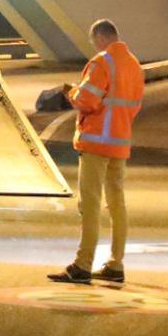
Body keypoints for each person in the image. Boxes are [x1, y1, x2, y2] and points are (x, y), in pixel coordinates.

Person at [48, 19, 144, 285]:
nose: (94, 46)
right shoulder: (134, 64)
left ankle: (82, 264)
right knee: (117, 203)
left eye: (93, 42)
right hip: (120, 141)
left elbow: (86, 100)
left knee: (89, 204)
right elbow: (134, 105)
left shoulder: (102, 62)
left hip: (95, 143)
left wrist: (72, 92)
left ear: (101, 38)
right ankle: (115, 263)